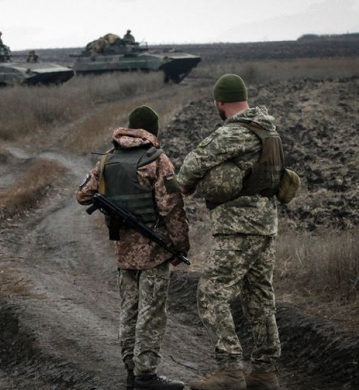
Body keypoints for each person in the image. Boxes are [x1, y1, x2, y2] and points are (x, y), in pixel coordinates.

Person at [173, 74, 282, 390]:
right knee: (259, 296)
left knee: (211, 293)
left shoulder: (235, 132)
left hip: (238, 226)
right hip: (265, 225)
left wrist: (184, 185)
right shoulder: (268, 129)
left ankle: (230, 370)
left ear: (220, 102)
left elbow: (195, 161)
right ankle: (264, 372)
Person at [76, 106, 190, 390]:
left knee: (129, 311)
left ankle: (131, 371)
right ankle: (146, 377)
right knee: (151, 313)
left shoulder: (108, 159)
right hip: (154, 252)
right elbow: (172, 207)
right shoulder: (157, 159)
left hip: (124, 252)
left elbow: (82, 194)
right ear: (153, 130)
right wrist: (180, 245)